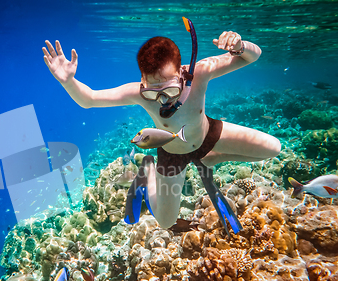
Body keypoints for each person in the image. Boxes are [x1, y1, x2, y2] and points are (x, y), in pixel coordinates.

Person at [42, 19, 281, 230]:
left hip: (209, 135)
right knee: (166, 222)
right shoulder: (137, 92)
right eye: (152, 91)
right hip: (171, 153)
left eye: (169, 89)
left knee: (273, 148)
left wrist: (240, 47)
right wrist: (68, 81)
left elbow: (253, 56)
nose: (163, 99)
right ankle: (148, 170)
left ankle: (212, 156)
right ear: (143, 80)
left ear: (181, 73)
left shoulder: (200, 73)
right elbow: (89, 100)